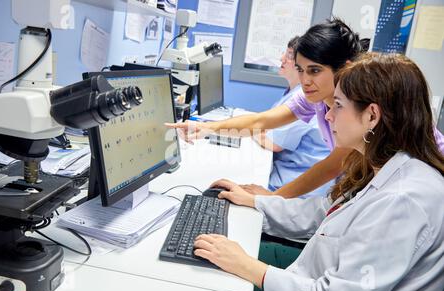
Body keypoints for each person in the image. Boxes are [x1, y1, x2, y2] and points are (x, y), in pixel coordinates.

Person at [193, 53, 444, 291]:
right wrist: (256, 202)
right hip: (310, 276)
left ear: (371, 116)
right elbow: (321, 214)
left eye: (338, 105)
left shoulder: (403, 201)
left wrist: (247, 266)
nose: (327, 115)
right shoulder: (382, 165)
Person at [166, 19, 444, 199]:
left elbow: (333, 165)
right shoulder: (318, 99)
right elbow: (263, 121)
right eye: (300, 70)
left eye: (314, 70)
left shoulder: (360, 106)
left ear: (345, 68)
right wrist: (204, 128)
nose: (304, 80)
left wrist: (270, 200)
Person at [253, 36, 331, 196]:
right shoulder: (295, 93)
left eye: (289, 55)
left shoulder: (307, 97)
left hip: (294, 187)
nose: (282, 59)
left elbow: (274, 143)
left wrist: (253, 130)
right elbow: (268, 125)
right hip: (289, 176)